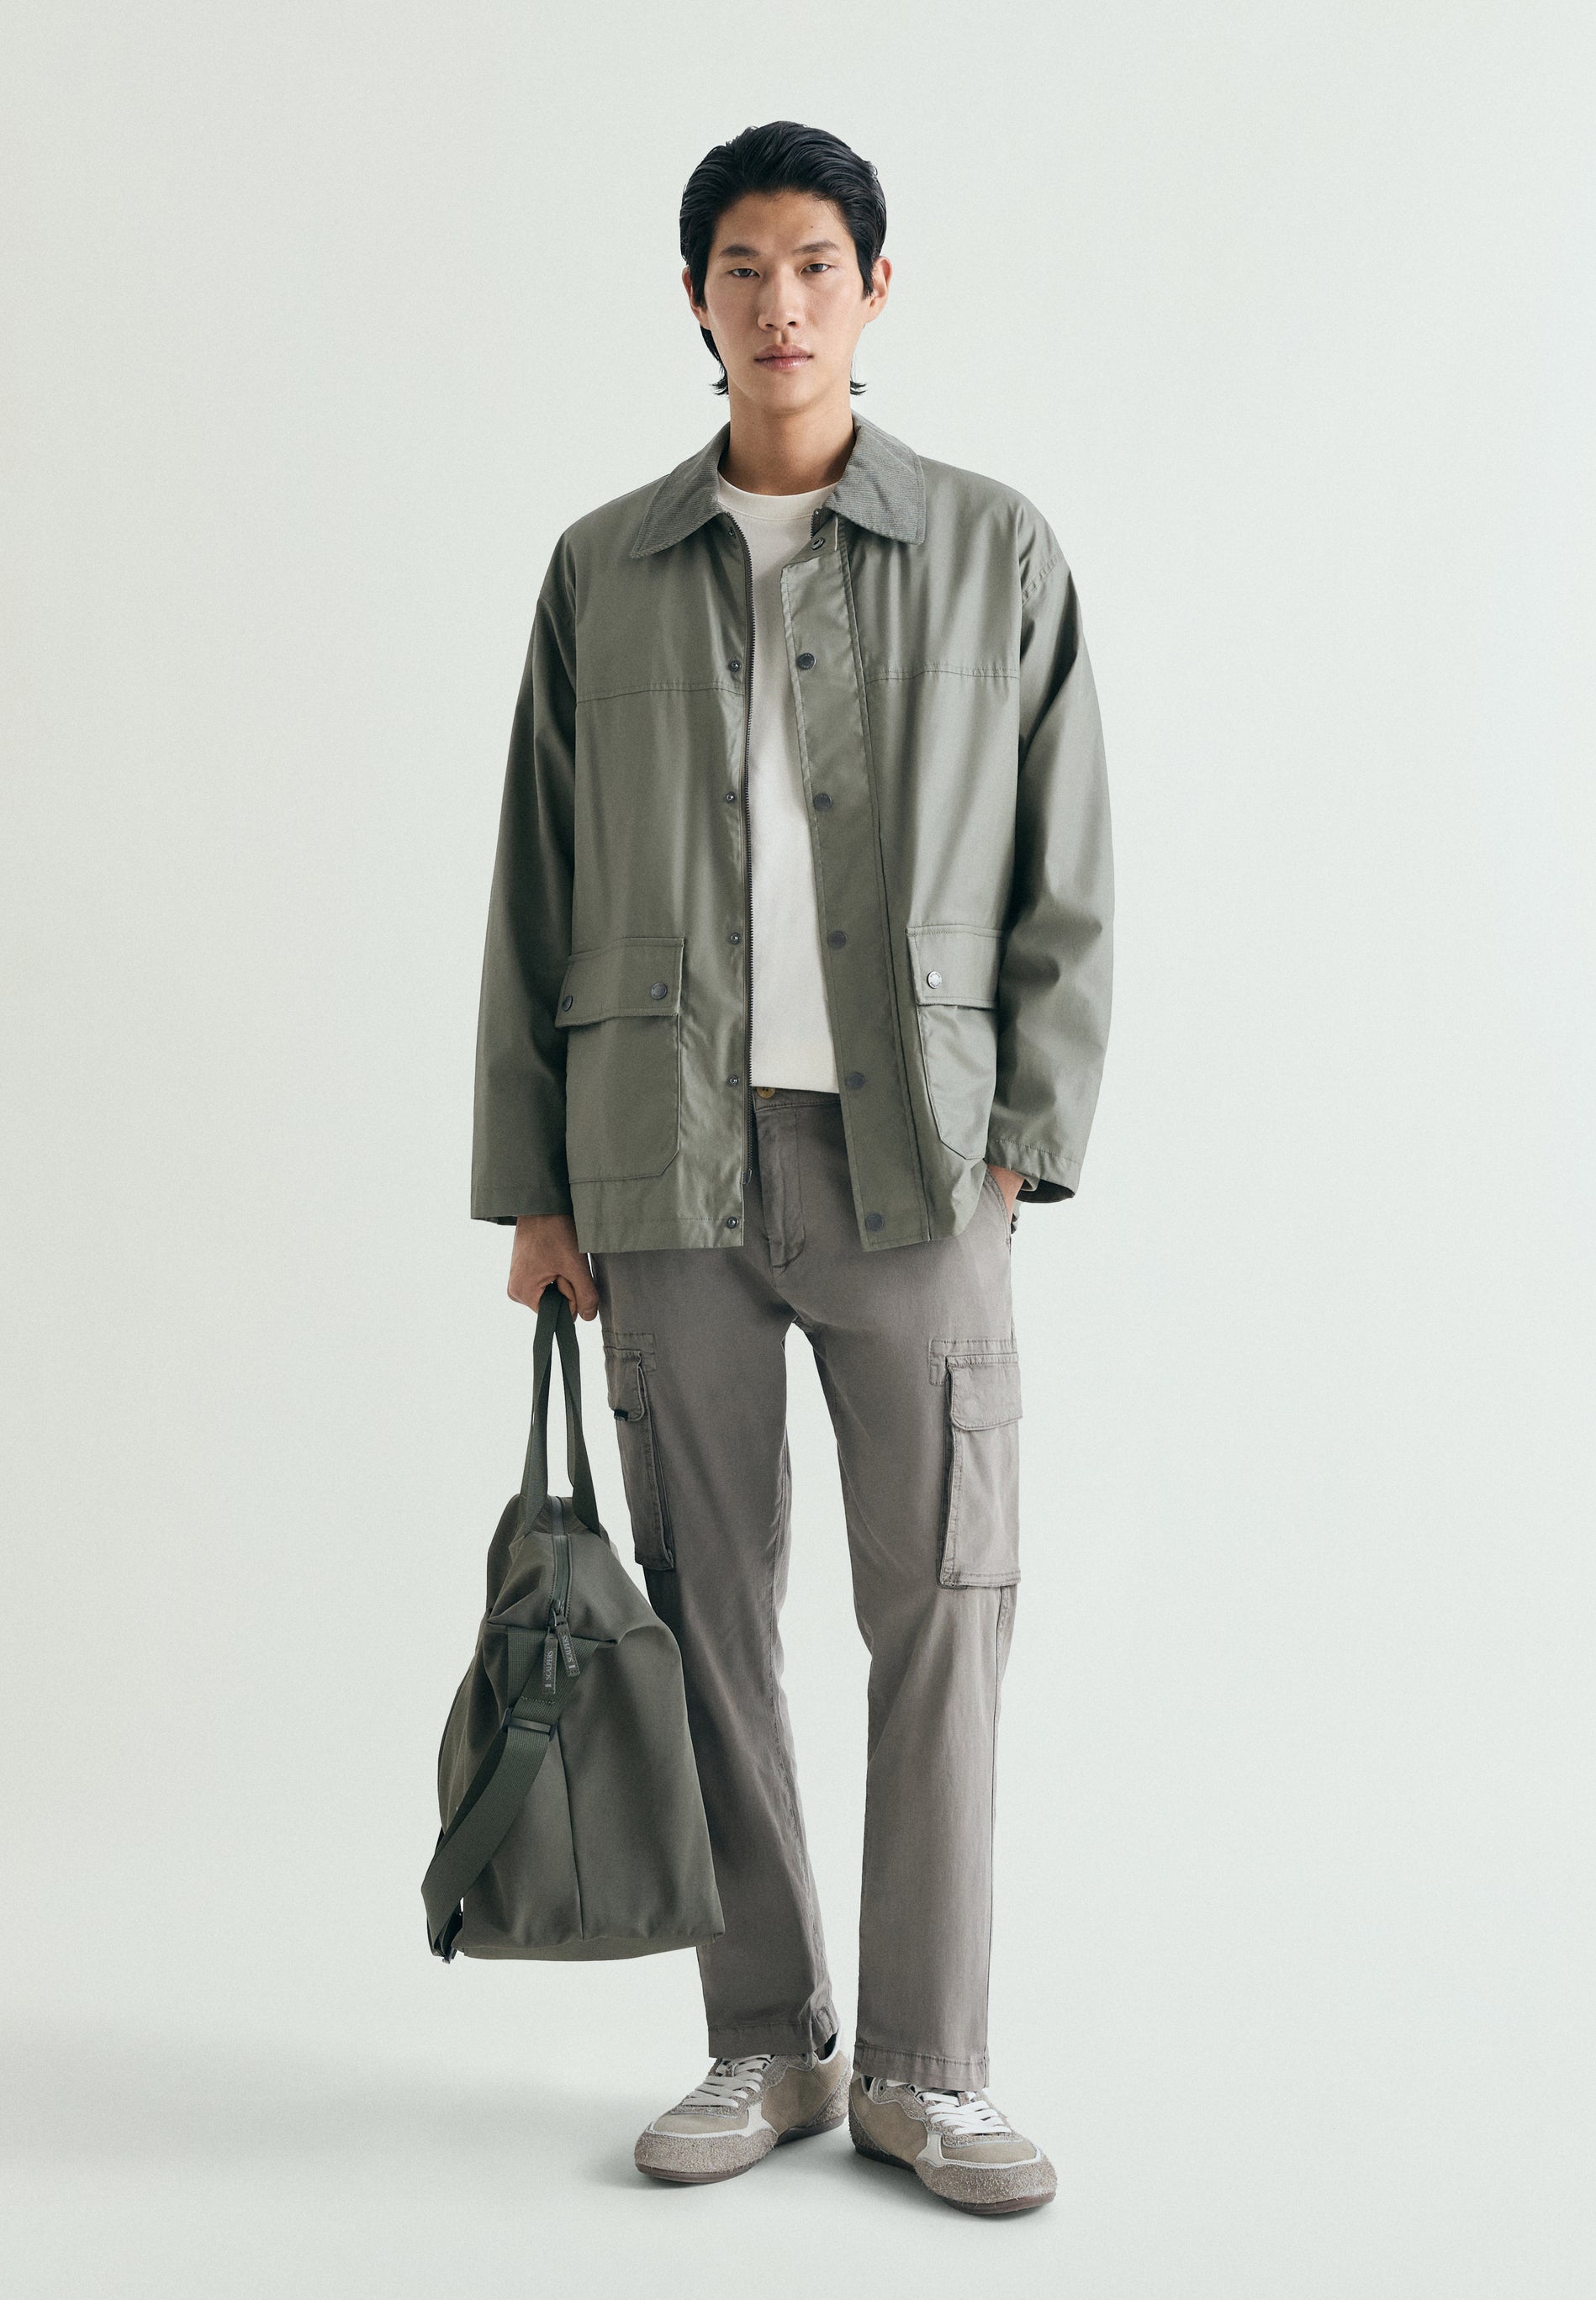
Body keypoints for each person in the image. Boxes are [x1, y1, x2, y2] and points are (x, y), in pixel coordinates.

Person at [471, 119, 1112, 2217]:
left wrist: (1020, 1144)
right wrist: (533, 1188)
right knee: (706, 1612)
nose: (778, 303)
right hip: (658, 1169)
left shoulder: (993, 552)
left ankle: (931, 2068)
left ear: (873, 289)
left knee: (942, 1606)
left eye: (815, 264)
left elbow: (1064, 873)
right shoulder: (603, 567)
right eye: (740, 268)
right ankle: (765, 2042)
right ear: (694, 300)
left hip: (918, 1167)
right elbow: (534, 885)